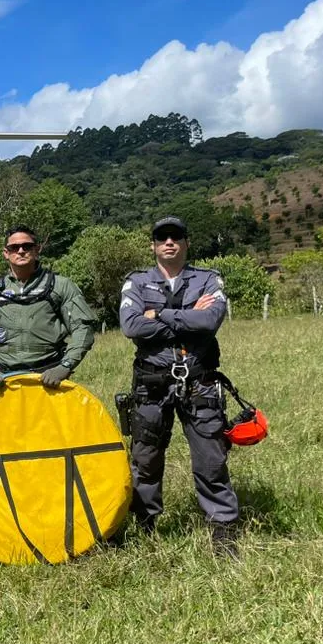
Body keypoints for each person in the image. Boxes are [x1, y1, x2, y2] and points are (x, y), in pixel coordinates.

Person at [119, 216, 239, 555]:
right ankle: (145, 527)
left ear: (186, 242)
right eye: (162, 238)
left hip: (199, 384)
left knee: (211, 460)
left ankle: (223, 532)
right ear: (154, 246)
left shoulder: (208, 279)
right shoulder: (137, 282)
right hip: (152, 386)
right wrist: (186, 316)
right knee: (145, 459)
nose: (169, 242)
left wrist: (158, 315)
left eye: (176, 236)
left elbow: (210, 320)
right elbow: (131, 326)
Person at [0, 225, 97, 389]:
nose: (21, 251)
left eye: (27, 246)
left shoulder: (61, 286)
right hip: (5, 379)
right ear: (6, 253)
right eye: (14, 247)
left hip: (49, 377)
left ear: (37, 250)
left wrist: (65, 366)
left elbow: (83, 328)